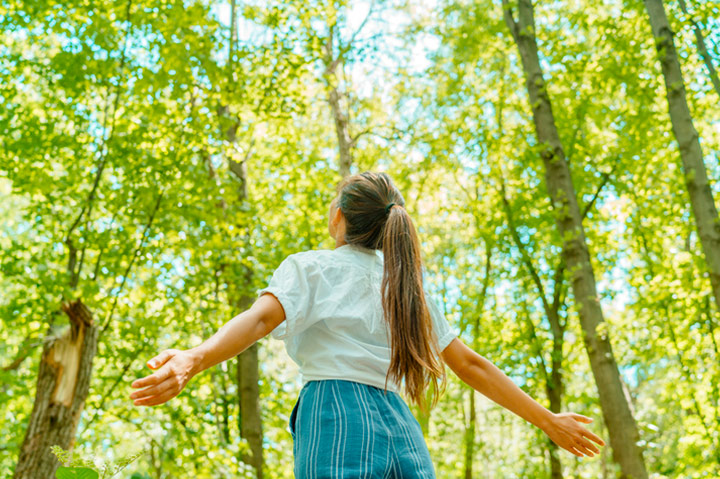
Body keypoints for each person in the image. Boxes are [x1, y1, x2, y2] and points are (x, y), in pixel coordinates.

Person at [130, 171, 605, 478]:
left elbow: (257, 322)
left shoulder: (313, 266)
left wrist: (194, 357)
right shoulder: (407, 288)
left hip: (335, 411)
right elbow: (471, 365)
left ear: (339, 217)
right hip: (399, 424)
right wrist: (548, 420)